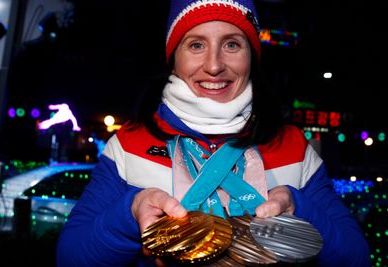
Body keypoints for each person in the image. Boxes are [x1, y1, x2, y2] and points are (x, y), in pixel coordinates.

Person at [56, 0, 370, 266]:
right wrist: (130, 214)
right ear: (174, 57)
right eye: (196, 45)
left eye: (232, 44)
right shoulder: (129, 144)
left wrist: (300, 211)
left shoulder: (293, 147)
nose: (214, 65)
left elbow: (357, 257)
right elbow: (69, 256)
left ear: (251, 55)